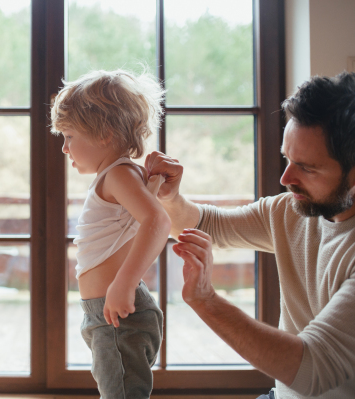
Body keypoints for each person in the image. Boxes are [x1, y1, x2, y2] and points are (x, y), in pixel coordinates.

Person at [145, 71, 355, 399]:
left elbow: (313, 370)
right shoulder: (290, 211)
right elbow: (205, 225)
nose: (286, 177)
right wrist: (170, 199)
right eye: (287, 159)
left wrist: (206, 301)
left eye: (307, 168)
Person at [50, 69, 171, 399]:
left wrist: (124, 283)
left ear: (103, 134)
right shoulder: (120, 176)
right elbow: (135, 222)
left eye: (70, 136)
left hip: (118, 312)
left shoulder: (118, 175)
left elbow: (157, 222)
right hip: (105, 311)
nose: (64, 148)